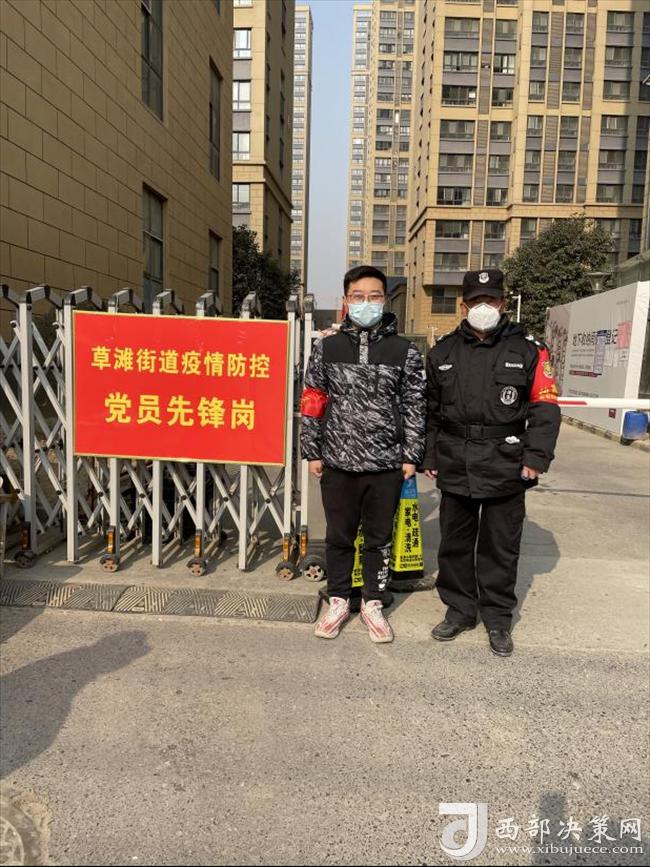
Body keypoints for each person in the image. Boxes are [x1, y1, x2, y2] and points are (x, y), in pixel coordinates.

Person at [420, 268, 561, 657]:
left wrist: (536, 457)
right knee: (455, 544)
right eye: (476, 301)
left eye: (492, 299)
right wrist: (429, 455)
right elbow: (429, 411)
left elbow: (545, 407)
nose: (484, 307)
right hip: (455, 459)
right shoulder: (442, 352)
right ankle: (460, 611)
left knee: (500, 546)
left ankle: (498, 618)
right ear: (463, 306)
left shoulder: (528, 349)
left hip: (506, 461)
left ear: (503, 302)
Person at [300, 265, 426, 643]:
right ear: (345, 300)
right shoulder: (327, 348)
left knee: (378, 539)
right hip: (337, 461)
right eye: (358, 296)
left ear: (384, 301)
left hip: (386, 464)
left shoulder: (405, 351)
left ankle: (373, 603)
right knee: (339, 537)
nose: (365, 303)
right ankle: (339, 600)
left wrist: (411, 455)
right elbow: (313, 400)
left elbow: (415, 405)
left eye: (374, 296)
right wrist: (312, 451)